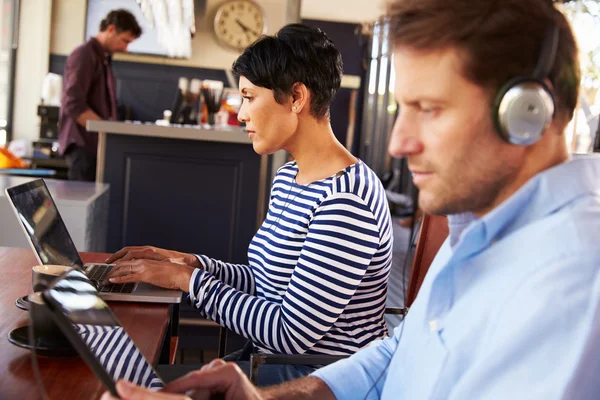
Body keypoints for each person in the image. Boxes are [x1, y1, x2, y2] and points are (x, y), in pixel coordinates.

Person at [102, 0, 600, 399]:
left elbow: (295, 334)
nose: (398, 144)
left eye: (430, 109)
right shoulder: (480, 227)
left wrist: (192, 282)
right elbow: (399, 352)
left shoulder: (570, 285)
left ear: (527, 112)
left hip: (286, 355)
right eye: (404, 108)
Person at [104, 24, 394, 385]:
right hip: (269, 362)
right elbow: (264, 283)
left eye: (249, 97)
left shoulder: (347, 200)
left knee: (124, 384)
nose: (241, 114)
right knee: (120, 374)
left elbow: (291, 334)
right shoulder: (289, 178)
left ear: (297, 97)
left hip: (314, 380)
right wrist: (189, 263)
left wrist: (187, 280)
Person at [59, 9, 141, 181]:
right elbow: (73, 104)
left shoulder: (103, 58)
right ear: (110, 29)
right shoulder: (84, 54)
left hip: (95, 147)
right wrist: (108, 132)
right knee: (83, 205)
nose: (125, 48)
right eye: (124, 41)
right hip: (83, 147)